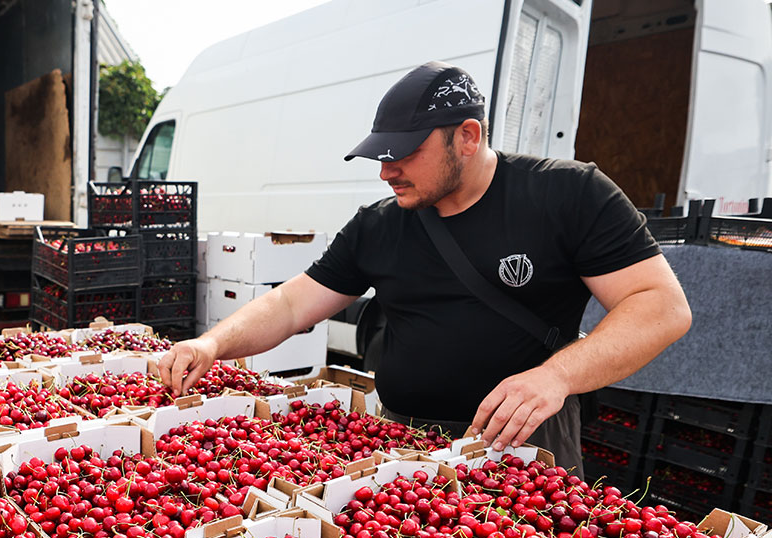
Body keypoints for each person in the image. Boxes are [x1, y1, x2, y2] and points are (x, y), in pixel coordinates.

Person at [158, 61, 692, 471]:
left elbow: (662, 308)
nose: (387, 171)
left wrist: (556, 376)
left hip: (522, 446)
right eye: (381, 156)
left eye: (405, 153)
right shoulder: (380, 224)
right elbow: (292, 302)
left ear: (467, 135)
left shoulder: (569, 194)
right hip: (402, 445)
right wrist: (213, 344)